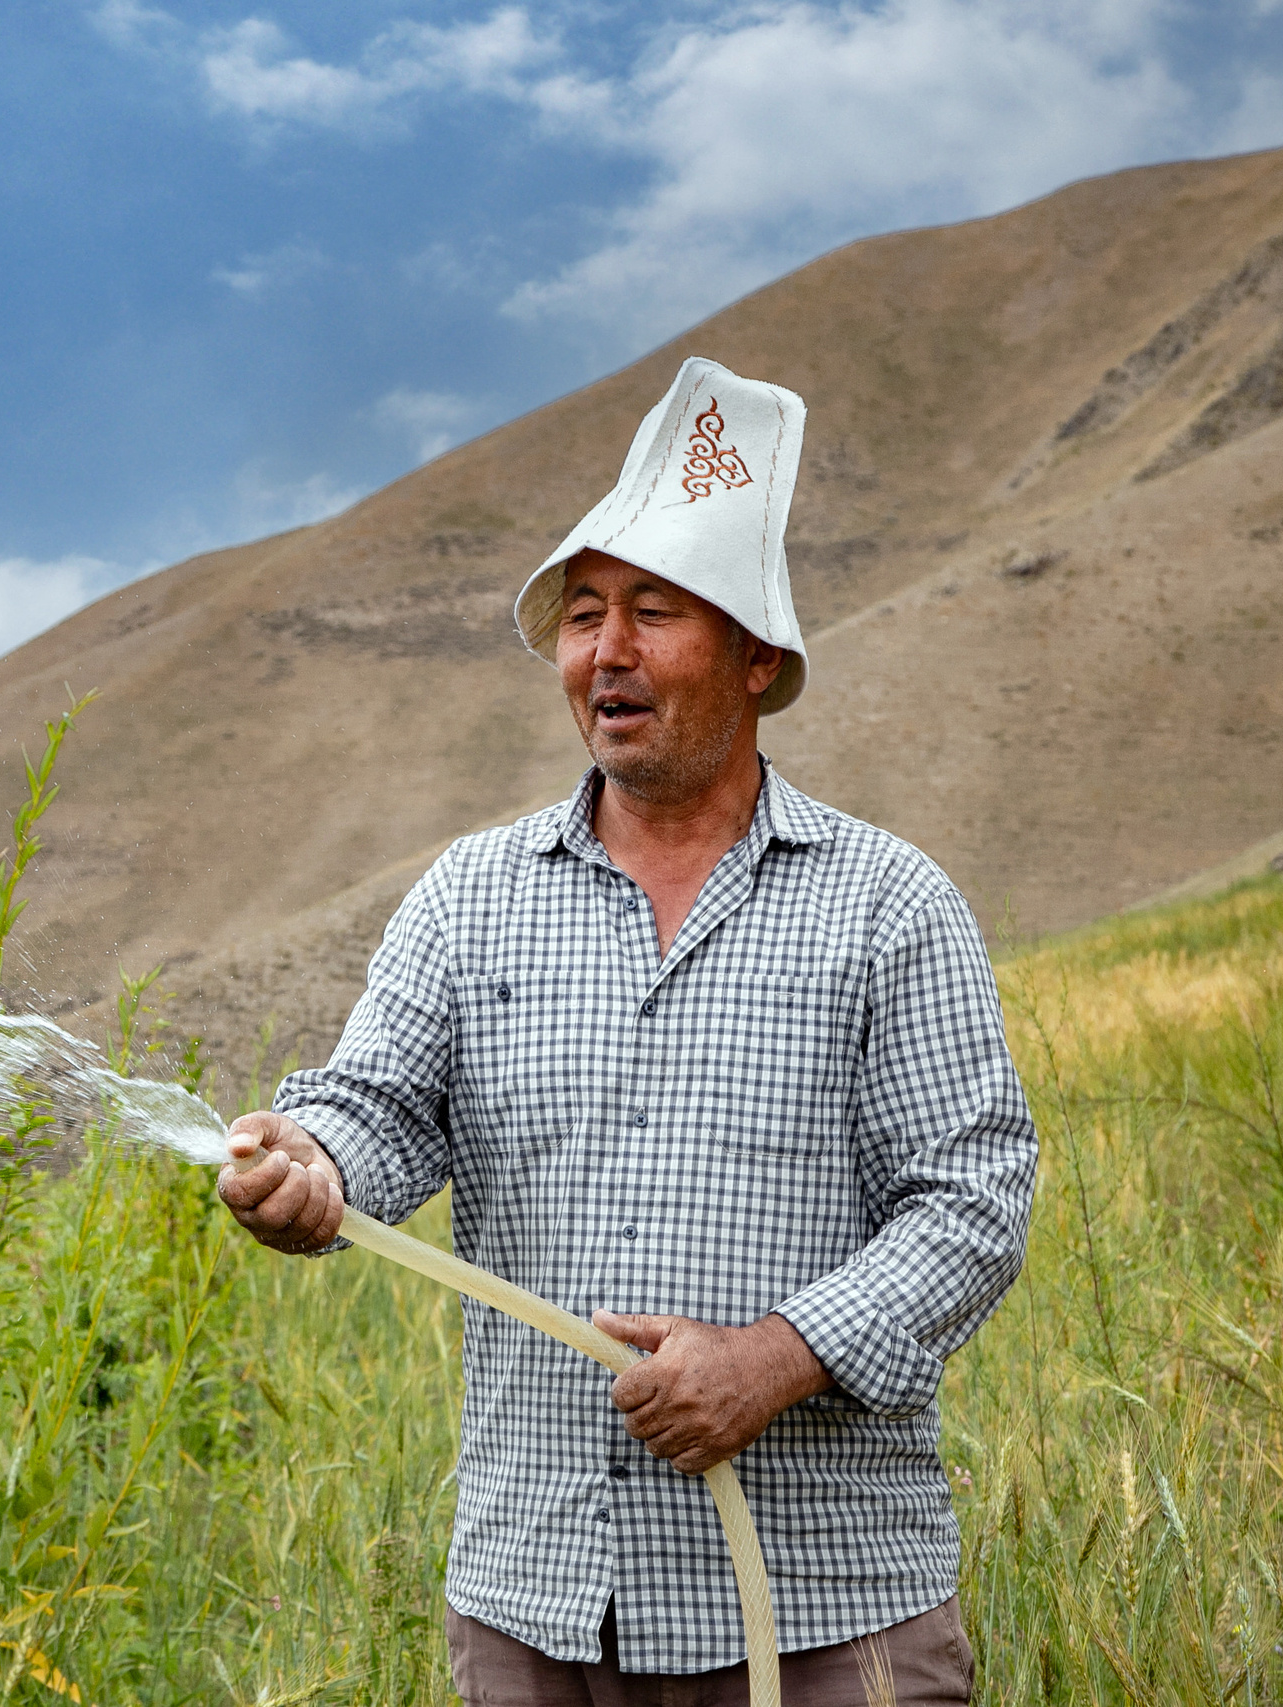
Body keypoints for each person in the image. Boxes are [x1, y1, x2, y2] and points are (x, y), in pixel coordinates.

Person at [217, 357, 1037, 1705]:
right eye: (584, 614)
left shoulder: (889, 903)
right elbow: (379, 1104)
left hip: (828, 1613)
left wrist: (773, 1360)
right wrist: (311, 1160)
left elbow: (971, 1205)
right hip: (537, 1609)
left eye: (655, 612)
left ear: (758, 660)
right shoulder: (472, 896)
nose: (607, 650)